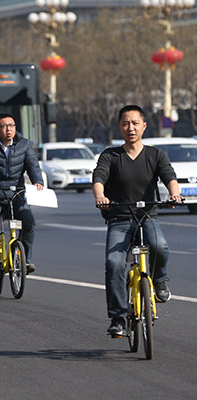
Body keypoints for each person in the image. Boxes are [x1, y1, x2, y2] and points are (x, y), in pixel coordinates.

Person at [93, 105, 182, 337]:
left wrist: (175, 194)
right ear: (120, 127)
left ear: (144, 126)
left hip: (147, 217)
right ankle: (118, 318)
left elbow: (169, 177)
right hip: (119, 219)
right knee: (114, 263)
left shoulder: (156, 155)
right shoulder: (110, 155)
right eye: (125, 123)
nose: (130, 128)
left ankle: (160, 280)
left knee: (160, 246)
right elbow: (99, 178)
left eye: (134, 123)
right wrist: (100, 197)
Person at [0, 113, 44, 274]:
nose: (9, 129)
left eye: (12, 125)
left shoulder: (24, 144)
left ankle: (25, 260)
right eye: (4, 126)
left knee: (28, 221)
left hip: (16, 194)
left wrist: (38, 181)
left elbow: (33, 164)